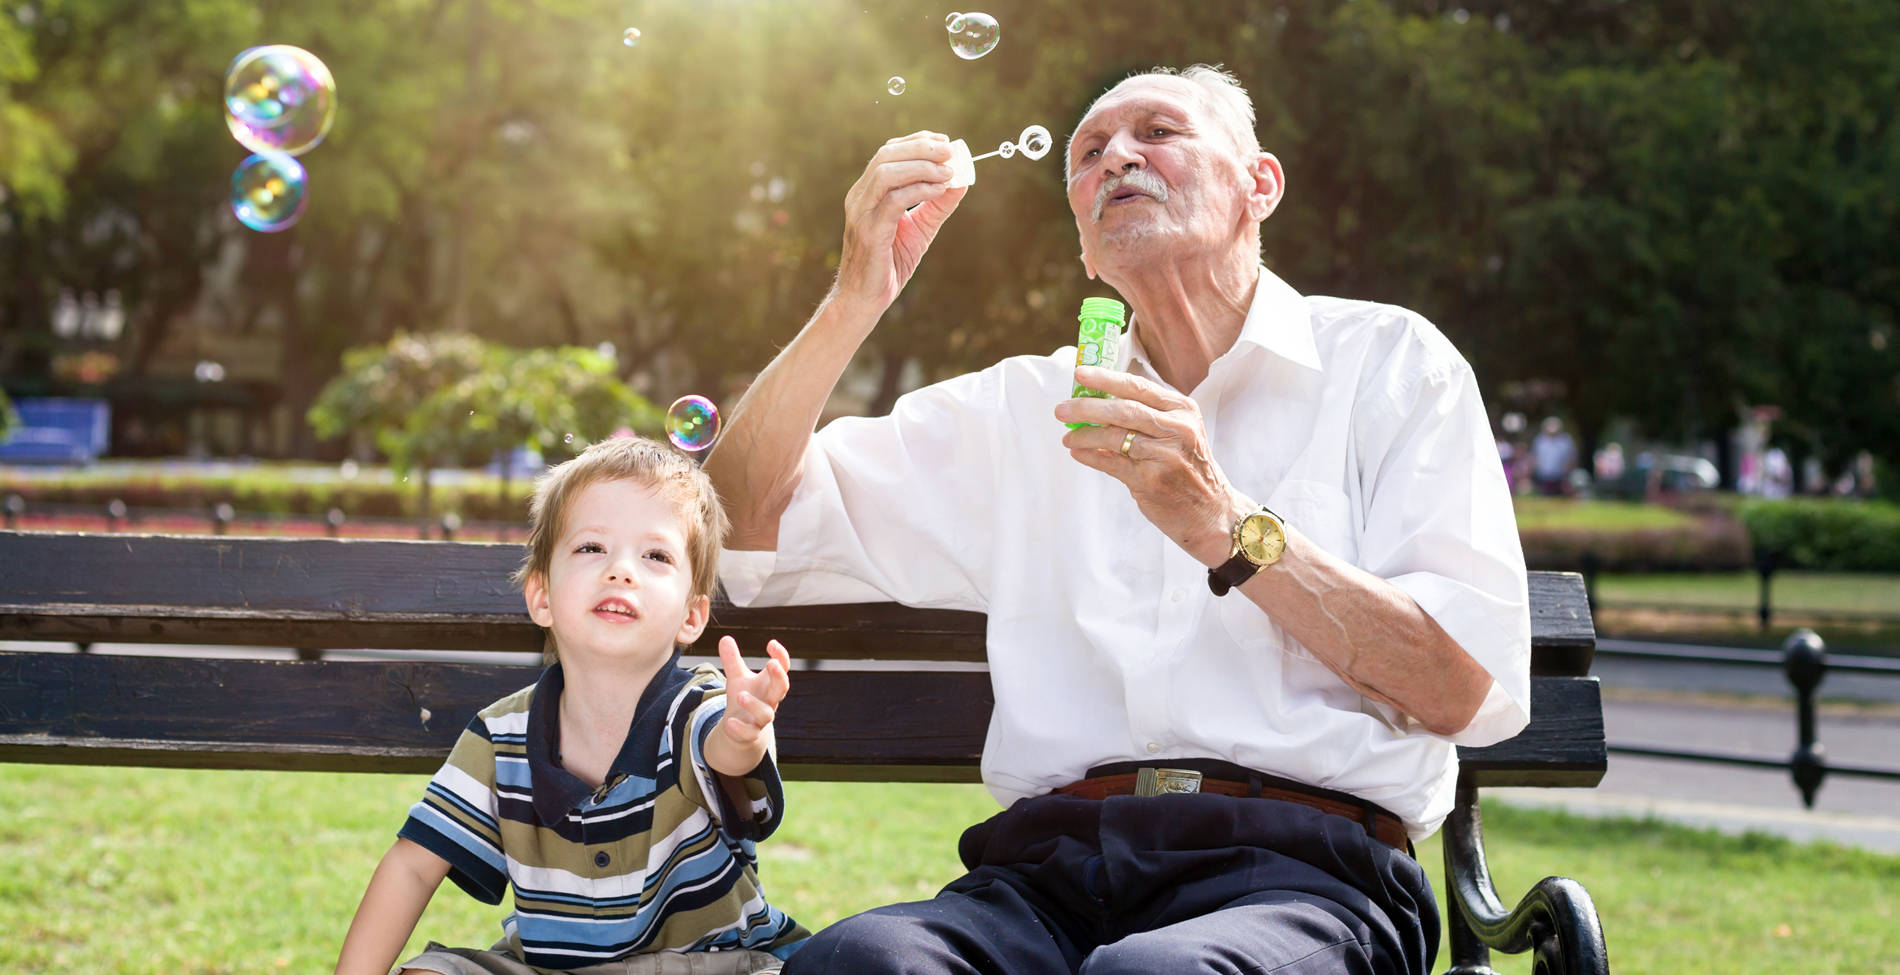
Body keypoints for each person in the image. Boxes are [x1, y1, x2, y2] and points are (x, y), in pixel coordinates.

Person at [706, 64, 1529, 975]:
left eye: (1160, 132)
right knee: (860, 962)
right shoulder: (1022, 409)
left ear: (1261, 183)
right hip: (1049, 871)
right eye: (1089, 153)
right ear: (1088, 250)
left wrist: (1227, 524)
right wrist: (856, 294)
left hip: (1308, 873)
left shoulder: (1390, 364)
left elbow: (1460, 687)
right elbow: (743, 518)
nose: (1118, 158)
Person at [335, 436, 808, 975]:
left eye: (655, 555)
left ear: (690, 617)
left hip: (703, 962)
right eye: (591, 548)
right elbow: (413, 868)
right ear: (542, 596)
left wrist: (746, 730)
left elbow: (723, 747)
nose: (621, 569)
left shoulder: (695, 706)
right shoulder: (501, 736)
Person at [1530, 416, 1575, 496]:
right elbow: (1535, 456)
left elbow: (1570, 457)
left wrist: (1568, 472)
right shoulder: (1540, 440)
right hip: (1543, 474)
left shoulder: (1565, 440)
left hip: (1560, 475)